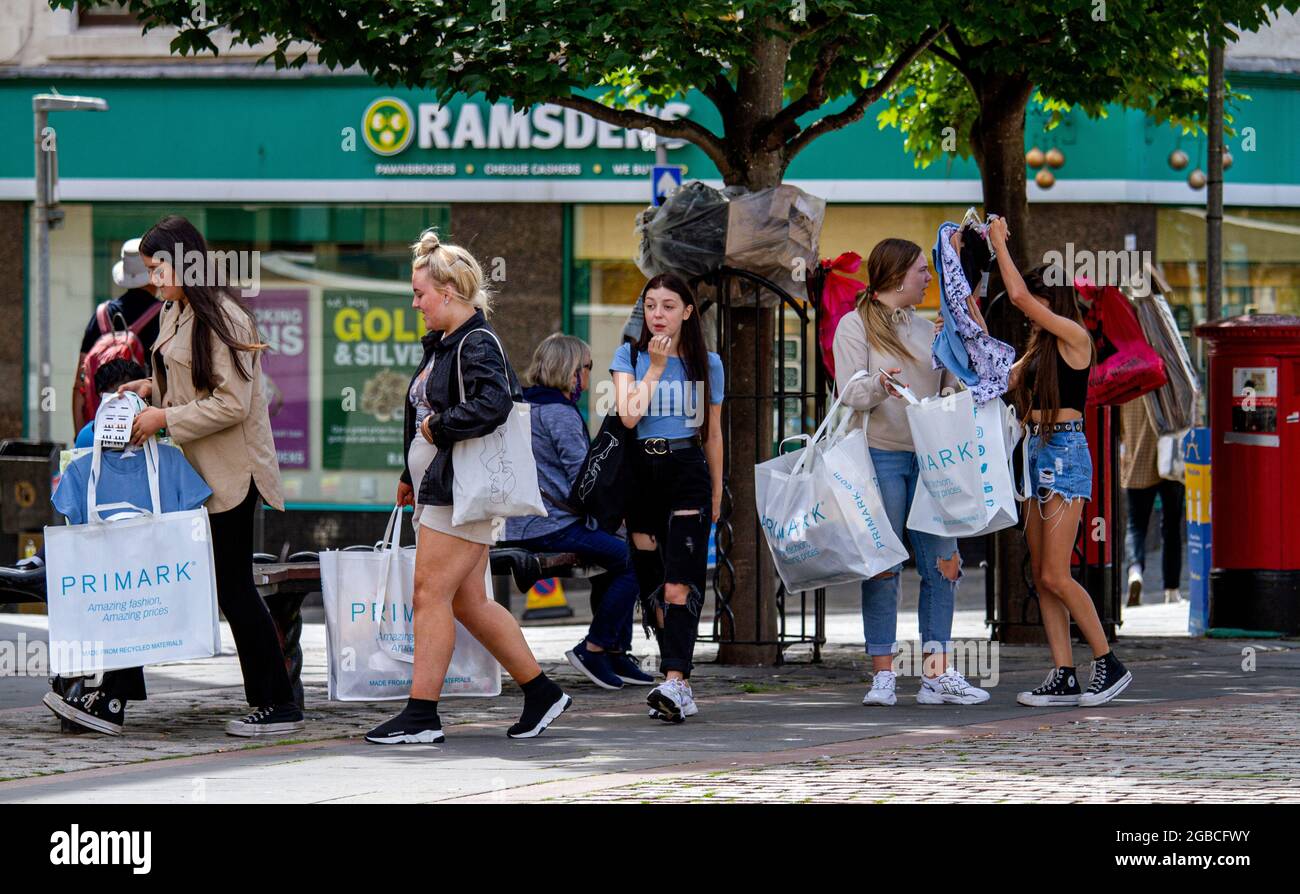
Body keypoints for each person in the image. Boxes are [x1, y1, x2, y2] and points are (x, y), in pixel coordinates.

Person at [365, 229, 572, 745]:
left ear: (448, 293)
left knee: (429, 593)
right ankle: (541, 692)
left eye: (420, 294)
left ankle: (421, 715)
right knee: (467, 602)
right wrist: (407, 474)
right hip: (443, 486)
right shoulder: (447, 343)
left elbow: (492, 404)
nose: (415, 303)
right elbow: (418, 414)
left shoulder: (475, 342)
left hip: (460, 492)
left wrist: (441, 428)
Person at [119, 214, 305, 737]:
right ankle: (272, 702)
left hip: (232, 474)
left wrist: (164, 419)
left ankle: (278, 705)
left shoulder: (225, 316)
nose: (153, 279)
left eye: (158, 268)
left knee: (236, 589)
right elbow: (187, 383)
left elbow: (232, 402)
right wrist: (149, 391)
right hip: (197, 476)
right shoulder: (175, 312)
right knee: (230, 588)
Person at [832, 238, 990, 708]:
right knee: (882, 564)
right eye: (922, 270)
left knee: (945, 563)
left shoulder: (928, 329)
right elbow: (849, 395)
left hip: (932, 459)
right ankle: (883, 674)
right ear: (897, 276)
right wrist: (878, 385)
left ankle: (935, 675)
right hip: (879, 455)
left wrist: (956, 356)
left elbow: (949, 388)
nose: (929, 277)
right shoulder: (854, 325)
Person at [988, 217, 1133, 707]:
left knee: (1055, 573)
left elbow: (1020, 299)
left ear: (1052, 300)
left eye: (1038, 303)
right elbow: (1001, 383)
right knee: (1042, 574)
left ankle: (1107, 662)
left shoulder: (1074, 336)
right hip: (1034, 451)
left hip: (1065, 453)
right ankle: (1063, 673)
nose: (1030, 314)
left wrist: (997, 245)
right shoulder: (1038, 350)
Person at [42, 398, 213, 736]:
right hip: (139, 585)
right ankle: (105, 700)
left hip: (152, 588)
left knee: (121, 605)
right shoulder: (84, 470)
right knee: (121, 604)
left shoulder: (165, 462)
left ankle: (106, 700)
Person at [504, 334, 654, 690]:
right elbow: (582, 480)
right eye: (587, 368)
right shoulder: (559, 414)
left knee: (611, 562)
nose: (588, 377)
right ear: (572, 371)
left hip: (521, 523)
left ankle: (615, 651)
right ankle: (594, 647)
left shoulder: (523, 406)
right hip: (549, 526)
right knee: (634, 561)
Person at [610, 272, 724, 723]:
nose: (658, 315)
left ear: (687, 312)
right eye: (651, 305)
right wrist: (654, 369)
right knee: (654, 589)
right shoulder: (629, 355)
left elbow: (712, 433)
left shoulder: (707, 363)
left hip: (686, 469)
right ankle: (679, 685)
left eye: (669, 306)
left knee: (681, 582)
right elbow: (629, 416)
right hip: (641, 473)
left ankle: (675, 678)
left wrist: (717, 489)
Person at [73, 238, 163, 431]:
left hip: (101, 427)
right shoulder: (164, 316)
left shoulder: (100, 315)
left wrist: (80, 438)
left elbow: (79, 386)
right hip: (144, 428)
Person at [1120, 398, 1185, 605]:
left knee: (1135, 524)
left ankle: (1135, 571)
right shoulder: (1170, 375)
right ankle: (1172, 590)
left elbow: (1119, 427)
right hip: (1171, 458)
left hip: (1137, 460)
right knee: (1172, 526)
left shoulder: (1129, 376)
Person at [73, 359, 148, 448]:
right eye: (115, 398)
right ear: (101, 395)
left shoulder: (150, 431)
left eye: (129, 396)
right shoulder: (87, 436)